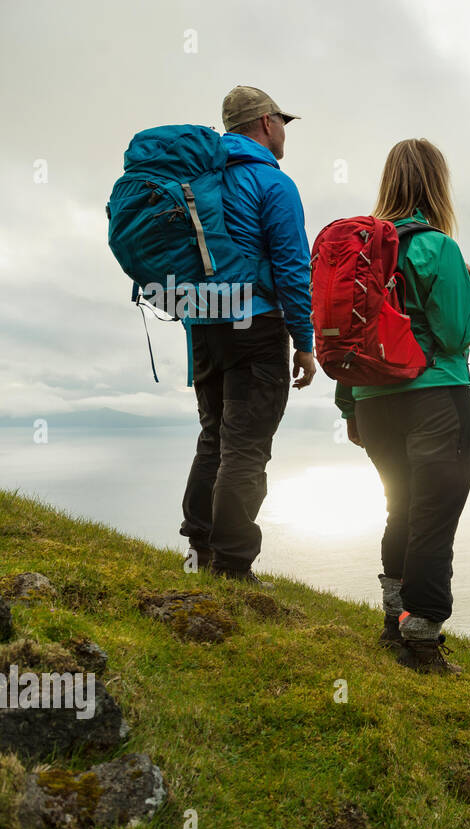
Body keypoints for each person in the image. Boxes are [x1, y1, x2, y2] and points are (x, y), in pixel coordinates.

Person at [335, 138, 470, 675]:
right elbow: (453, 335)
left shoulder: (359, 250)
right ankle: (422, 641)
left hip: (371, 403)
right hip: (435, 400)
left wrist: (350, 410)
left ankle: (392, 623)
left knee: (400, 508)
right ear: (437, 185)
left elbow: (346, 335)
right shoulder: (437, 248)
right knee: (433, 520)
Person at [180, 86, 317, 586]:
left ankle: (200, 550)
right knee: (246, 446)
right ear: (265, 123)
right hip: (256, 325)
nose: (285, 130)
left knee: (213, 437)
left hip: (202, 322)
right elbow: (292, 268)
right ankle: (234, 566)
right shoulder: (272, 183)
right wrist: (305, 341)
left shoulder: (201, 178)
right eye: (283, 120)